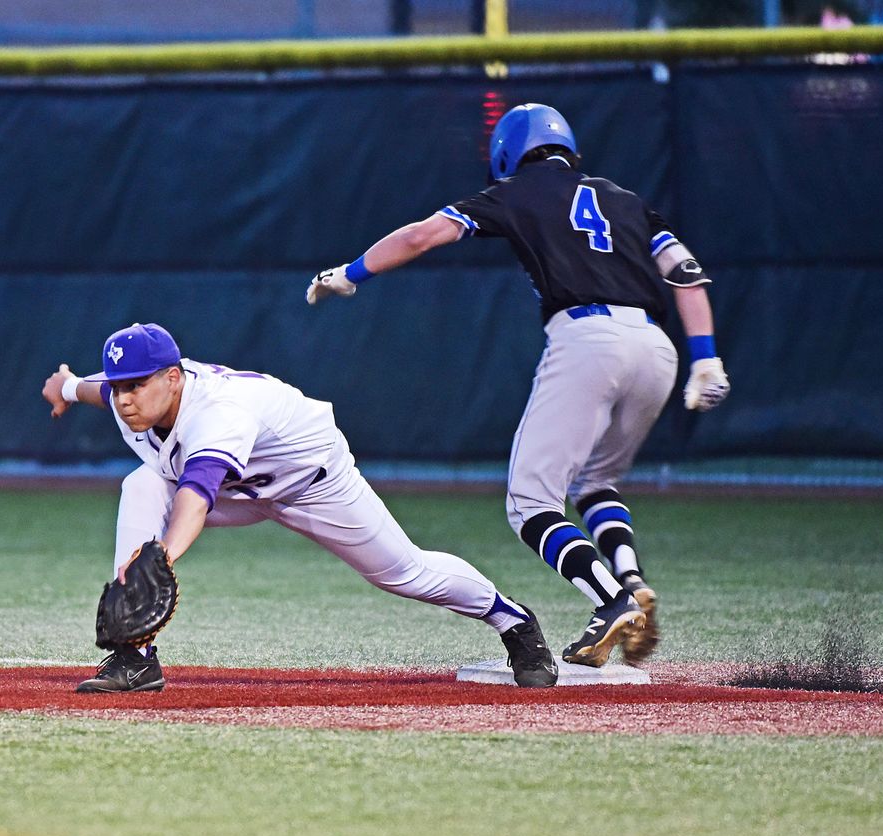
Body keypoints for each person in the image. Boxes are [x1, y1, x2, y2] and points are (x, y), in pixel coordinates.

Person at [306, 103, 730, 669]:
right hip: (657, 349)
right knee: (597, 481)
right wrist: (707, 359)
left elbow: (423, 235)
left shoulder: (515, 190)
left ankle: (613, 601)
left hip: (587, 338)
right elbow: (685, 276)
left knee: (530, 504)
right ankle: (630, 578)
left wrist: (349, 274)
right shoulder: (628, 200)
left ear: (508, 152)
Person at [42, 322, 558, 692]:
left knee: (405, 573)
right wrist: (65, 387)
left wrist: (164, 556)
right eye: (118, 387)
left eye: (137, 384)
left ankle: (512, 620)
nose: (124, 398)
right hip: (240, 490)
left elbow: (196, 496)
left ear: (173, 377)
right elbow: (91, 387)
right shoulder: (122, 398)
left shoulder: (219, 415)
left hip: (313, 484)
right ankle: (136, 658)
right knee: (141, 484)